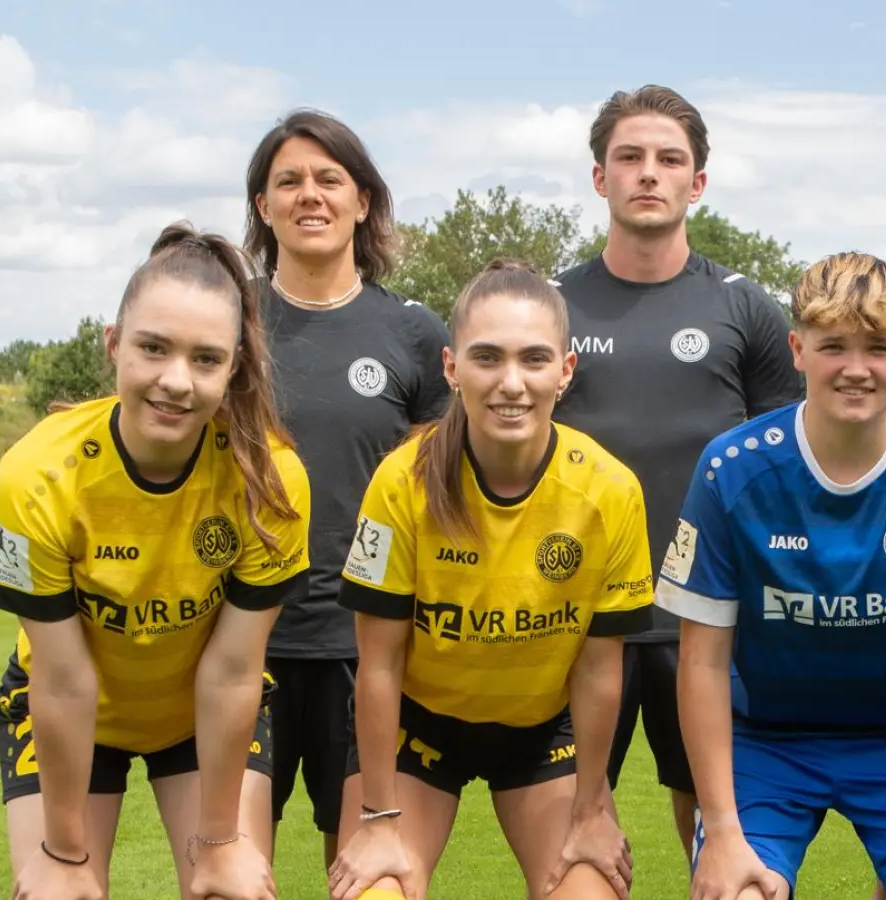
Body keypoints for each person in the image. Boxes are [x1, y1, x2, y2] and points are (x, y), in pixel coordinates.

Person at [658, 252, 886, 900]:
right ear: (797, 349)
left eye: (878, 347)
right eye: (833, 346)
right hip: (767, 742)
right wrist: (721, 828)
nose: (856, 368)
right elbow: (703, 663)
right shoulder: (731, 469)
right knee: (735, 893)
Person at [0, 223, 312, 900]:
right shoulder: (36, 472)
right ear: (113, 345)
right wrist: (65, 852)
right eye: (153, 348)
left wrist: (219, 843)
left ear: (234, 369)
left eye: (205, 359)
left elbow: (230, 671)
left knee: (231, 890)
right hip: (73, 703)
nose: (175, 381)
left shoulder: (271, 480)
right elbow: (64, 679)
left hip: (199, 707)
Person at [325, 261, 654, 900]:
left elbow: (597, 670)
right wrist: (376, 819)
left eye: (534, 359)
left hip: (540, 730)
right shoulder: (401, 481)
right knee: (375, 893)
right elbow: (379, 665)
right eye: (487, 358)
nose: (511, 383)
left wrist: (591, 808)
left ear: (566, 369)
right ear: (451, 368)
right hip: (418, 728)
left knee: (590, 892)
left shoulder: (610, 491)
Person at [550, 83, 803, 857]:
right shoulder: (553, 304)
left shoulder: (745, 307)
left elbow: (790, 462)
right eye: (629, 158)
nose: (648, 174)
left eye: (669, 160)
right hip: (578, 618)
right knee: (571, 832)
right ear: (600, 178)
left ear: (698, 182)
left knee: (720, 840)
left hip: (712, 618)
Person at [244, 108, 451, 871]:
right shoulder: (229, 327)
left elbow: (445, 492)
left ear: (363, 201)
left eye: (330, 179)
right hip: (240, 644)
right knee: (230, 874)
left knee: (366, 876)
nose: (310, 195)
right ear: (263, 207)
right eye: (288, 181)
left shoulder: (414, 334)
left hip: (366, 653)